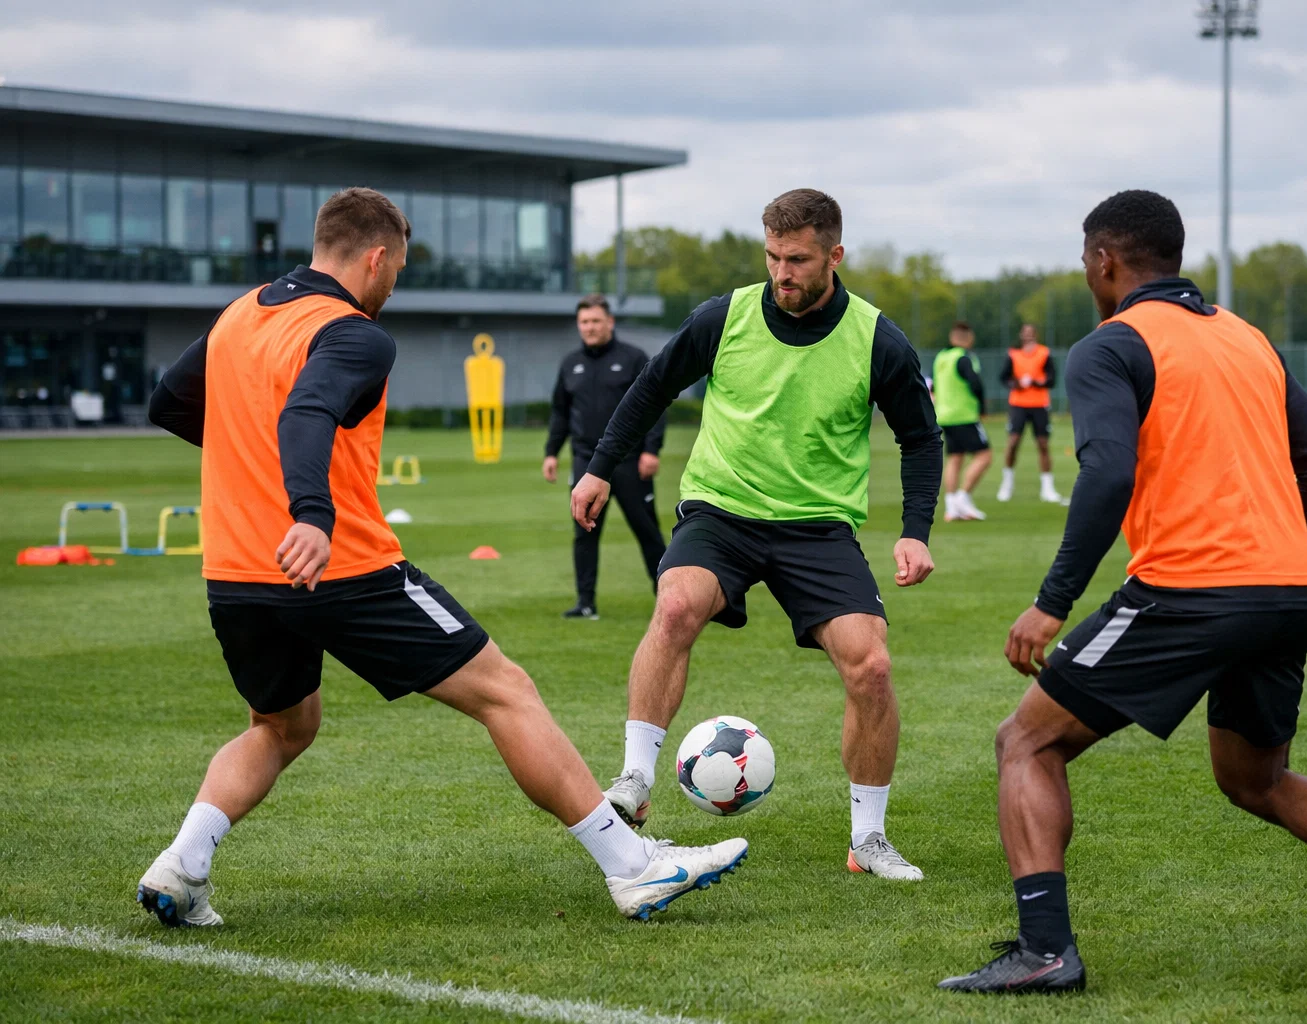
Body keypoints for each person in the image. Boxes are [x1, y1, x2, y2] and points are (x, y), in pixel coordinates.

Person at [138, 188, 746, 928]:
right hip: (341, 568)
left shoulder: (241, 314)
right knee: (506, 691)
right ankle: (633, 867)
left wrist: (261, 473)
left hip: (236, 575)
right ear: (376, 256)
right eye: (397, 270)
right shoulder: (353, 332)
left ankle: (183, 864)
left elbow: (170, 402)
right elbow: (305, 411)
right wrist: (309, 512)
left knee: (282, 726)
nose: (394, 285)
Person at [940, 190, 1307, 994]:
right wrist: (1281, 559)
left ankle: (1046, 951)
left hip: (1186, 588)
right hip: (1289, 589)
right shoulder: (1248, 339)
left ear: (1103, 260)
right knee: (1255, 779)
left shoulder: (1109, 345)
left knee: (1028, 742)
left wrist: (1053, 600)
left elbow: (1109, 469)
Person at [570, 189, 942, 880]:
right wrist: (597, 470)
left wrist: (914, 531)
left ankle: (868, 839)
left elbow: (921, 438)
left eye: (797, 259)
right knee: (676, 604)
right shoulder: (724, 317)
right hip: (722, 511)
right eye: (772, 256)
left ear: (835, 255)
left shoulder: (875, 338)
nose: (782, 273)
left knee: (872, 665)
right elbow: (652, 388)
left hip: (817, 527)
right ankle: (634, 781)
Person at [543, 293, 668, 620]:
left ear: (610, 322)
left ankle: (669, 601)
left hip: (630, 462)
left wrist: (652, 450)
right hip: (586, 463)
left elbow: (654, 406)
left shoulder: (633, 358)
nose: (590, 327)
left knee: (647, 532)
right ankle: (585, 604)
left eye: (596, 320)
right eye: (584, 322)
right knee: (584, 532)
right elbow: (560, 412)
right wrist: (551, 453)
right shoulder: (571, 364)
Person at [932, 321, 991, 521]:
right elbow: (975, 382)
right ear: (968, 338)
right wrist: (982, 407)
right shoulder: (963, 357)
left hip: (945, 416)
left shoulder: (941, 357)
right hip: (964, 415)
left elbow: (933, 385)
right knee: (984, 456)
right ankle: (962, 497)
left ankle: (951, 507)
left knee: (955, 458)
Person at [996, 323, 1060, 503]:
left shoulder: (1044, 353)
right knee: (1013, 442)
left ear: (1036, 334)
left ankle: (1047, 488)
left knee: (1043, 444)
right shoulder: (1013, 353)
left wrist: (1037, 382)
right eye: (1025, 333)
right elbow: (1004, 377)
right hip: (1018, 404)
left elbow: (1052, 378)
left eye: (1031, 333)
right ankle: (1007, 484)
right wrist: (1016, 384)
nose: (1028, 336)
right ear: (1021, 335)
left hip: (1039, 404)